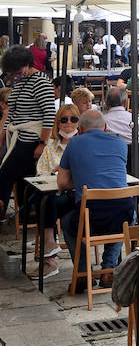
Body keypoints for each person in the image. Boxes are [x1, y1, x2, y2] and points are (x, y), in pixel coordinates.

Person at [57, 109, 135, 277]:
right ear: (105, 126)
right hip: (124, 212)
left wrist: (80, 179)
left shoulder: (75, 143)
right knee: (121, 217)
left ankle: (84, 273)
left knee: (67, 223)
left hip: (90, 216)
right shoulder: (120, 143)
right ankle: (109, 270)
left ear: (81, 128)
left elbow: (62, 183)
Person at [0, 45, 56, 223]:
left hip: (31, 139)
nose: (14, 74)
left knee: (5, 175)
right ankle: (28, 220)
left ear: (27, 64)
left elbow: (49, 114)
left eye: (16, 70)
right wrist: (3, 135)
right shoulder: (20, 82)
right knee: (25, 182)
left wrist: (42, 143)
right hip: (18, 136)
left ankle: (1, 216)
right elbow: (13, 112)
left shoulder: (41, 82)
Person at [27, 102, 81, 278]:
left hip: (74, 195)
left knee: (44, 202)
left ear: (78, 122)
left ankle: (50, 255)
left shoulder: (82, 144)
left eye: (73, 119)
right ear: (57, 123)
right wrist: (56, 173)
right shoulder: (51, 145)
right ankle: (50, 247)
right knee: (41, 197)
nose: (68, 123)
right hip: (55, 193)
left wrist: (62, 173)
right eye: (64, 119)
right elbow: (40, 171)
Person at [102, 85, 139, 172]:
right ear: (125, 103)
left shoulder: (101, 122)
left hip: (110, 169)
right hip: (134, 167)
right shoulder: (135, 120)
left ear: (106, 103)